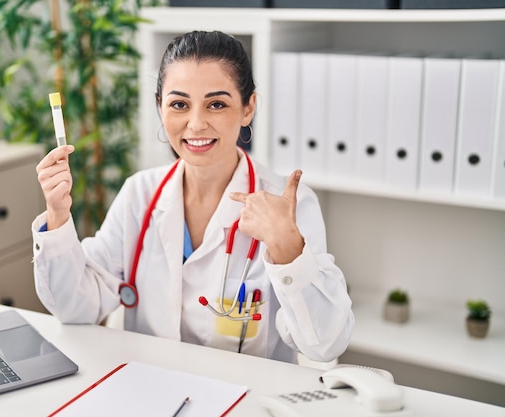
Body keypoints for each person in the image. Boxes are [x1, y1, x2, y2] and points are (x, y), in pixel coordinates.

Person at [32, 30, 353, 363]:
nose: (196, 124)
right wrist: (57, 214)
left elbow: (324, 344)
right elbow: (75, 308)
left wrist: (288, 249)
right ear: (160, 108)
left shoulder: (290, 205)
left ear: (248, 108)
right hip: (151, 389)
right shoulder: (139, 194)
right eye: (179, 104)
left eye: (216, 104)